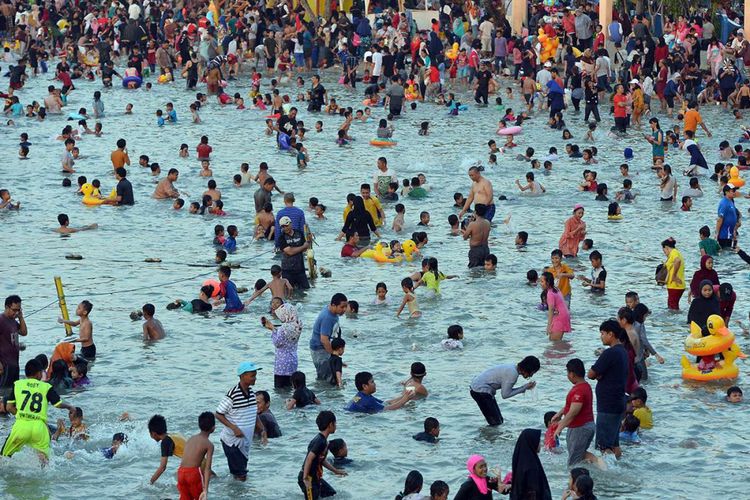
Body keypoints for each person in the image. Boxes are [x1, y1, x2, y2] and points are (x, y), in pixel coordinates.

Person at [1, 359, 75, 462]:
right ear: (38, 373)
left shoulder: (17, 384)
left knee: (4, 456)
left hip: (21, 426)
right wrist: (70, 407)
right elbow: (57, 404)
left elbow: (9, 407)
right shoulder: (46, 386)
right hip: (40, 428)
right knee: (45, 460)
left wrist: (23, 415)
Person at [215, 361, 267, 482]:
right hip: (232, 442)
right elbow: (218, 414)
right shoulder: (232, 394)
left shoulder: (252, 394)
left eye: (255, 375)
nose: (255, 378)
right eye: (252, 375)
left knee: (239, 474)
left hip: (244, 442)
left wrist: (263, 430)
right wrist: (234, 428)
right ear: (242, 376)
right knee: (241, 475)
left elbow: (254, 414)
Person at [588, 320, 628, 459]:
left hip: (608, 405)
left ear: (611, 334)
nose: (601, 336)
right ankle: (619, 467)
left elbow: (591, 374)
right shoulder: (623, 351)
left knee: (604, 446)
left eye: (603, 333)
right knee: (614, 443)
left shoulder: (609, 353)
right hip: (619, 401)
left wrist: (599, 375)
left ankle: (608, 474)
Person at [468, 356, 540, 426]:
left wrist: (524, 388)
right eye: (532, 372)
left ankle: (490, 437)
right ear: (528, 369)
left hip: (478, 388)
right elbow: (505, 395)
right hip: (480, 391)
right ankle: (489, 437)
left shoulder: (512, 367)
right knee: (496, 422)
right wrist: (524, 388)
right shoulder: (513, 374)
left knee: (499, 421)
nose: (531, 375)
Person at [551, 359, 597, 467]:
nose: (567, 375)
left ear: (572, 374)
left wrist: (559, 427)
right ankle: (598, 463)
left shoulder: (579, 390)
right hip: (585, 426)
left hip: (580, 428)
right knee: (579, 455)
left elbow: (573, 412)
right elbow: (572, 406)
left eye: (567, 372)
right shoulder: (585, 386)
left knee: (572, 463)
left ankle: (576, 480)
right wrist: (560, 413)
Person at [298, 411, 347, 499]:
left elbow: (321, 460)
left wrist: (335, 471)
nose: (336, 426)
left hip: (315, 478)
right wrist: (305, 479)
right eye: (335, 423)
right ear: (330, 425)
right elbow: (309, 458)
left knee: (331, 493)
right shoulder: (320, 441)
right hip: (308, 478)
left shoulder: (323, 441)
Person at [262, 303, 302, 389]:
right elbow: (286, 339)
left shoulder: (283, 328)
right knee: (289, 387)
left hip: (282, 363)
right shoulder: (297, 324)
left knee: (280, 389)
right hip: (293, 359)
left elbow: (277, 342)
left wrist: (272, 329)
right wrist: (275, 328)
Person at [177, 412, 215, 500]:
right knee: (200, 497)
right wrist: (205, 489)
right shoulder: (209, 444)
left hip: (181, 473)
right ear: (213, 428)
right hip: (193, 474)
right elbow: (207, 469)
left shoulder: (191, 438)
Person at [310, 294, 347, 380]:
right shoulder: (327, 317)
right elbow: (324, 340)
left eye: (346, 306)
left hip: (325, 349)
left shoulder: (332, 311)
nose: (344, 309)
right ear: (333, 305)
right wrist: (334, 355)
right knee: (326, 379)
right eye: (342, 307)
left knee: (329, 376)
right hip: (320, 350)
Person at [1, 295, 27, 411]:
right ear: (7, 307)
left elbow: (24, 332)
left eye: (18, 309)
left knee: (13, 391)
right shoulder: (1, 320)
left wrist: (20, 317)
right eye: (14, 310)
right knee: (3, 391)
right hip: (5, 364)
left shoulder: (13, 321)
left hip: (14, 363)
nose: (16, 312)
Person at [509, 429, 552, 500]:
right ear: (532, 442)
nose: (540, 444)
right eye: (538, 441)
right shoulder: (531, 467)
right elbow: (533, 492)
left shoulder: (521, 462)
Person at [345, 371, 413, 413]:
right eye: (372, 382)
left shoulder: (360, 395)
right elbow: (386, 409)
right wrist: (405, 399)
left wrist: (404, 396)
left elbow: (385, 403)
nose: (375, 384)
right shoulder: (367, 400)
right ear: (365, 386)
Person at [278, 215, 311, 290]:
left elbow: (306, 248)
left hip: (300, 269)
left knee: (306, 290)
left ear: (290, 224)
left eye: (286, 226)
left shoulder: (299, 233)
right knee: (288, 292)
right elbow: (289, 252)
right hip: (287, 270)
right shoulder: (281, 237)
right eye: (283, 227)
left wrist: (306, 244)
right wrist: (302, 247)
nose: (285, 228)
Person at [540, 271, 571, 340]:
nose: (540, 283)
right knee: (553, 342)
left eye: (542, 281)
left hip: (560, 317)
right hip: (563, 315)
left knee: (554, 341)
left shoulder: (550, 294)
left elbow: (551, 310)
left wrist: (548, 326)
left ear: (547, 283)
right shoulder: (556, 289)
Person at [463, 204, 491, 268]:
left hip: (475, 250)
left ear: (475, 212)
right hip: (486, 249)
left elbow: (465, 237)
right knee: (484, 269)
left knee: (474, 271)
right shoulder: (487, 223)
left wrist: (467, 227)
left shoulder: (472, 224)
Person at [662, 238, 686, 310]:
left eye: (664, 251)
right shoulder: (675, 253)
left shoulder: (674, 252)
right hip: (675, 285)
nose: (664, 253)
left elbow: (677, 261)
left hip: (675, 286)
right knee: (672, 306)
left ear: (666, 247)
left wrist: (674, 276)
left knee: (673, 308)